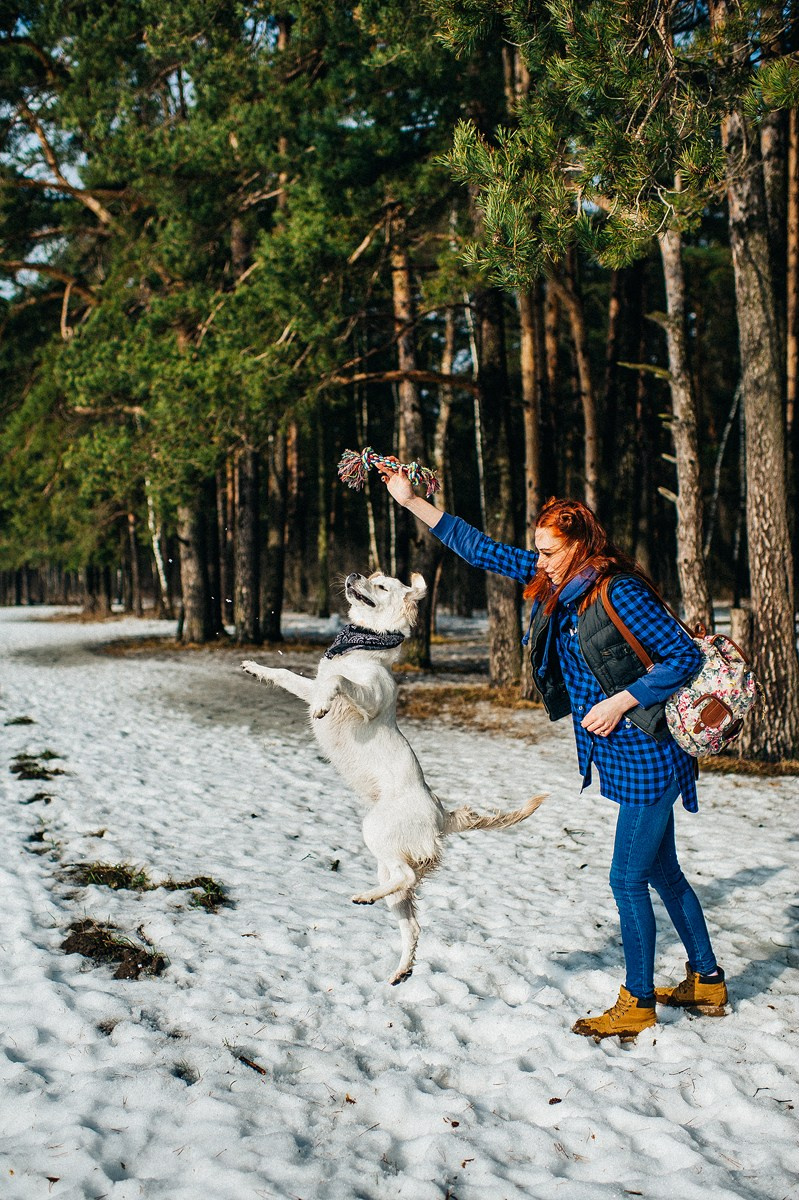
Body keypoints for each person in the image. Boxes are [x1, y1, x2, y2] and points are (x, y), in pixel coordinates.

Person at [381, 466, 728, 1040]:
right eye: (537, 550)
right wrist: (415, 502)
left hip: (650, 751)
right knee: (662, 870)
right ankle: (707, 981)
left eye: (549, 550)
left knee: (625, 879)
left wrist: (622, 700)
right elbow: (482, 550)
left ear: (579, 544)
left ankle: (638, 1000)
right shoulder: (553, 583)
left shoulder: (618, 589)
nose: (539, 560)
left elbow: (683, 658)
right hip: (623, 752)